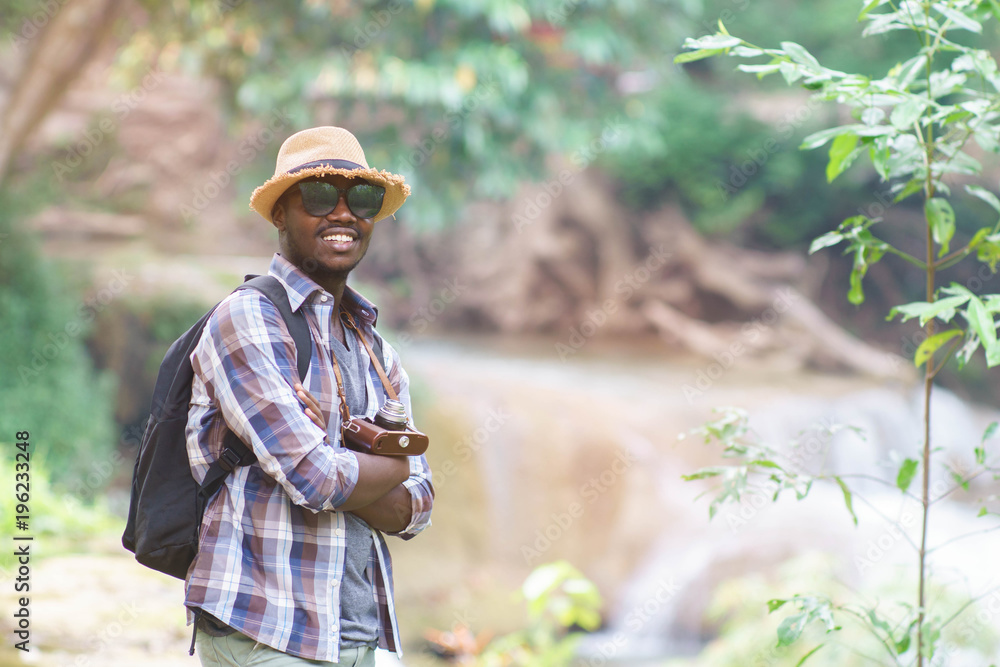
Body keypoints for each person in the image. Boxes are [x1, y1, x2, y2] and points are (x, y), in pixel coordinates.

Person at [184, 126, 434, 666]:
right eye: (319, 196)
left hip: (359, 634)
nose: (342, 214)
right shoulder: (248, 319)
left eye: (360, 199)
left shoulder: (375, 349)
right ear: (280, 214)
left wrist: (345, 459)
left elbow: (419, 508)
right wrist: (388, 463)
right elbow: (316, 480)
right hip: (266, 631)